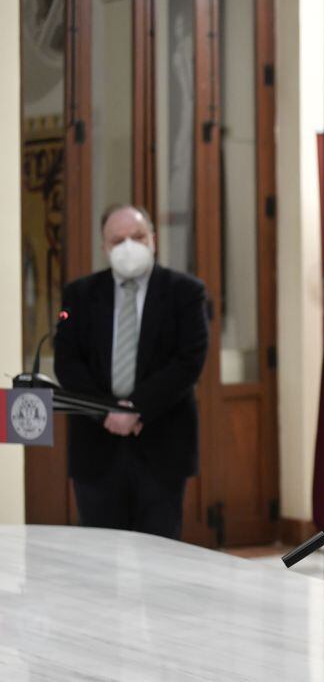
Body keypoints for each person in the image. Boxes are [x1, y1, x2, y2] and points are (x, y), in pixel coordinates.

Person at [55, 204, 209, 539]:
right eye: (118, 239)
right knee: (99, 557)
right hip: (97, 447)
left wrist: (136, 407)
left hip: (161, 444)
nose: (129, 246)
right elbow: (67, 362)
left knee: (159, 558)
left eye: (137, 236)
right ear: (104, 248)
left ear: (153, 239)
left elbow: (188, 361)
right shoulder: (79, 295)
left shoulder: (184, 292)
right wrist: (107, 412)